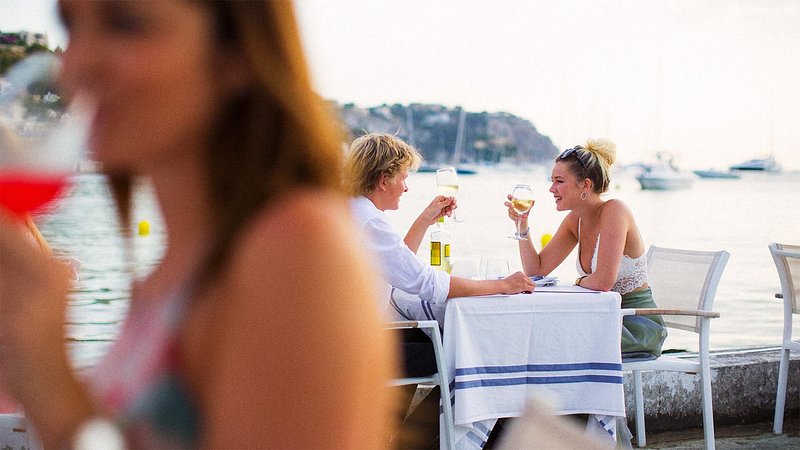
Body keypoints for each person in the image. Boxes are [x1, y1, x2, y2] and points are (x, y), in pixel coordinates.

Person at [0, 1, 395, 449]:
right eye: (71, 25)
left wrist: (52, 380)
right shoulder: (184, 264)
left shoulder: (295, 252)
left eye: (126, 23)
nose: (74, 65)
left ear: (238, 53)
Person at [344, 132, 535, 448]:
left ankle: (393, 439)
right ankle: (419, 443)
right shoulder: (369, 222)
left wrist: (425, 219)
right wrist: (505, 285)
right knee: (468, 354)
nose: (406, 187)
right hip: (360, 348)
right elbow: (429, 285)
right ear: (383, 179)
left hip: (353, 339)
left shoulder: (354, 212)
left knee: (431, 338)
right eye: (404, 178)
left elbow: (397, 267)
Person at [506, 138, 667, 359]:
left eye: (559, 181)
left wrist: (579, 282)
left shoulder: (615, 211)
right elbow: (537, 269)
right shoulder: (576, 220)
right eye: (552, 181)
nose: (551, 189)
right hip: (602, 317)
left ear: (586, 185)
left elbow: (603, 282)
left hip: (635, 325)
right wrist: (521, 225)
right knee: (539, 334)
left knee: (550, 340)